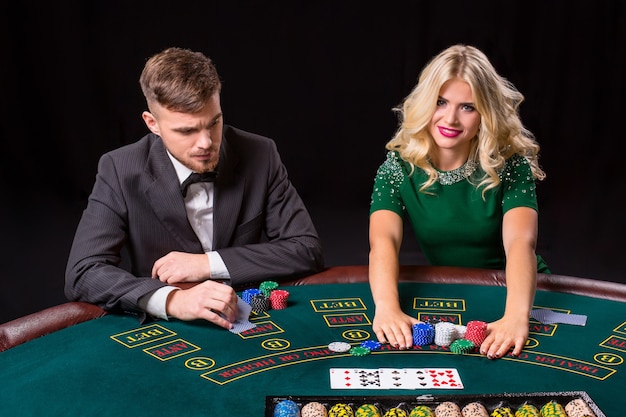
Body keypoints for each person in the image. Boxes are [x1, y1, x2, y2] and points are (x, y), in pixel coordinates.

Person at [65, 47, 324, 329]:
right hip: (169, 329)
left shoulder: (260, 154)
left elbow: (305, 249)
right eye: (187, 131)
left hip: (250, 319)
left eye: (214, 123)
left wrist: (207, 264)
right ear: (153, 124)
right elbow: (83, 272)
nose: (206, 143)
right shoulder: (120, 169)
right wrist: (172, 300)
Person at [368, 44, 550, 360]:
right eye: (441, 102)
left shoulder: (511, 165)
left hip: (519, 294)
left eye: (468, 107)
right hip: (451, 291)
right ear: (425, 102)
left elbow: (521, 242)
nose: (450, 118)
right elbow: (382, 241)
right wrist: (386, 307)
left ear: (486, 113)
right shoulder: (397, 168)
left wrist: (517, 317)